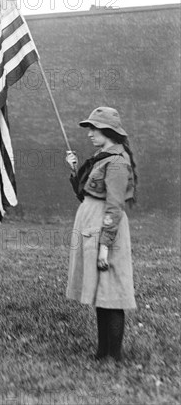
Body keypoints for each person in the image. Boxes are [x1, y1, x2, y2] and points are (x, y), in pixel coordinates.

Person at [65, 107, 137, 362]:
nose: (89, 134)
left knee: (112, 293)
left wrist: (105, 246)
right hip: (92, 225)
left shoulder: (116, 162)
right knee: (101, 293)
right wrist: (74, 171)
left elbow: (114, 206)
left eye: (94, 129)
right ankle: (102, 352)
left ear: (108, 131)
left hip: (107, 230)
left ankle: (113, 356)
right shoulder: (101, 157)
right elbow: (86, 194)